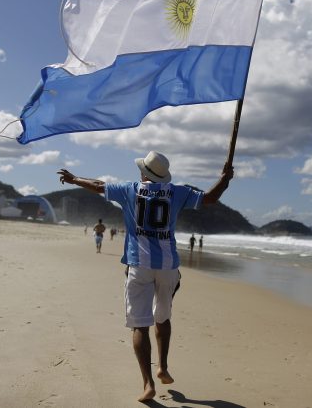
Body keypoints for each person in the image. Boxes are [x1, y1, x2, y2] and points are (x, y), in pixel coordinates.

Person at [57, 150, 233, 402]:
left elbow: (98, 185)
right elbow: (210, 198)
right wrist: (225, 179)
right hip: (169, 266)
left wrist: (75, 179)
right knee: (163, 317)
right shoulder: (177, 191)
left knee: (140, 325)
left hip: (139, 265)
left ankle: (148, 383)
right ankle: (163, 366)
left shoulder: (129, 189)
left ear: (144, 173)